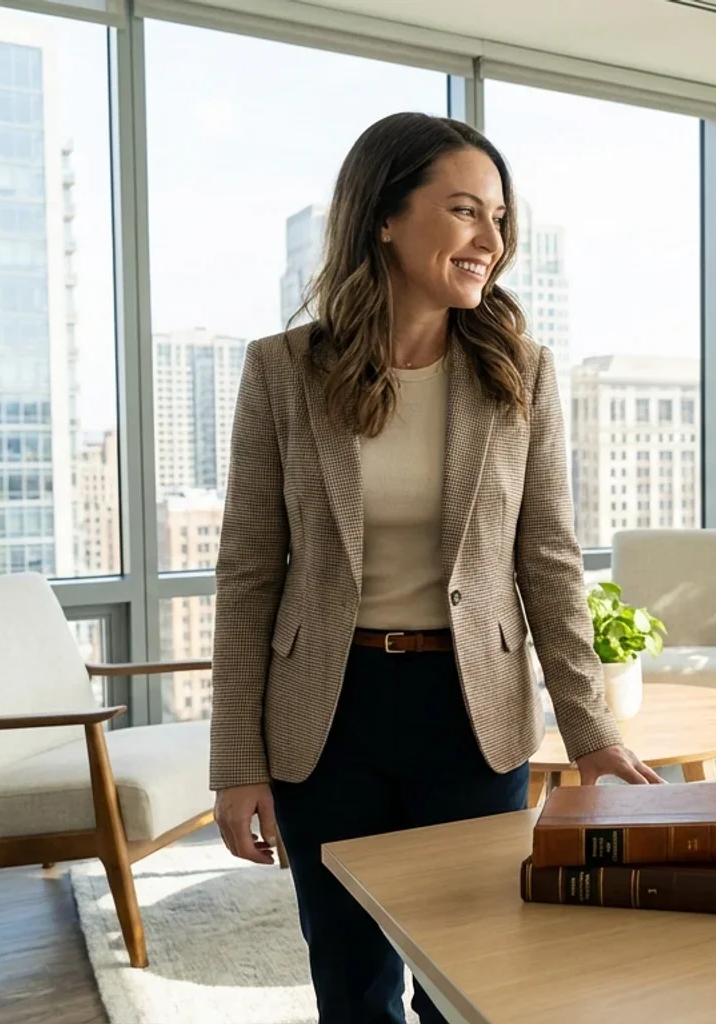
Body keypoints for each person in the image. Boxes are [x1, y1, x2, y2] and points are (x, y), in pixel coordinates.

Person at [208, 111, 662, 1024]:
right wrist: (234, 761)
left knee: (469, 981)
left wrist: (591, 731)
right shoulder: (281, 372)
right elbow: (250, 571)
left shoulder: (519, 374)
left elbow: (549, 561)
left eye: (499, 219)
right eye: (464, 211)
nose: (491, 240)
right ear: (384, 215)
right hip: (323, 722)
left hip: (470, 714)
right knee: (351, 980)